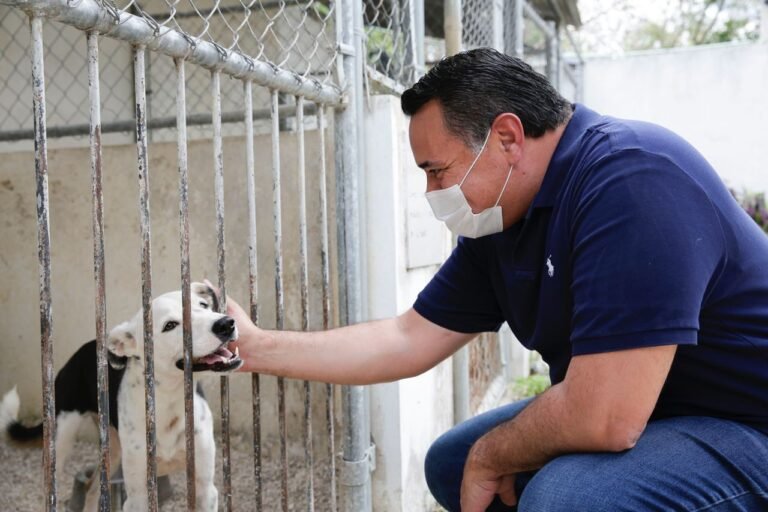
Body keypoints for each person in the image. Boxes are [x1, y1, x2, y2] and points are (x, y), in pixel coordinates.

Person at [224, 48, 768, 511]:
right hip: (661, 411)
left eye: (437, 169)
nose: (432, 192)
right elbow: (406, 337)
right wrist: (255, 348)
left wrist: (494, 454)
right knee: (450, 462)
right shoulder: (506, 218)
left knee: (567, 498)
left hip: (745, 422)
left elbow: (606, 417)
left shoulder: (632, 179)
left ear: (507, 137)